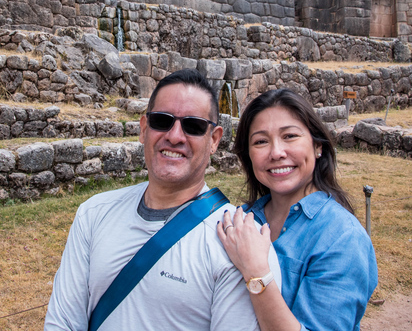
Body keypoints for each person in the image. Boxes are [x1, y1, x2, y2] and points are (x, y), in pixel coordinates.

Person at [44, 69, 276, 331]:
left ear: (214, 140)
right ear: (144, 129)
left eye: (193, 125)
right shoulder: (93, 214)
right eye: (162, 121)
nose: (175, 136)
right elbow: (62, 324)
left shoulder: (240, 244)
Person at [217, 88, 378, 331]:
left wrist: (256, 272)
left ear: (317, 146)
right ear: (248, 156)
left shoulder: (343, 238)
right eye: (261, 141)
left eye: (290, 136)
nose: (276, 152)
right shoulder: (240, 220)